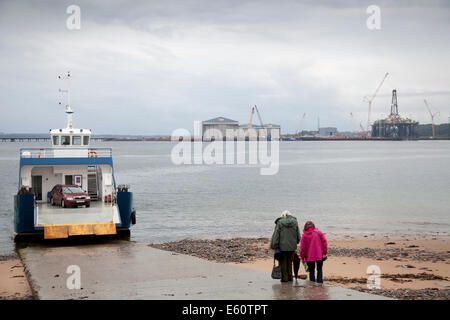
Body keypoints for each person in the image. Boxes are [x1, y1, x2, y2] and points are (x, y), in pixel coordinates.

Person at [270, 210, 301, 282]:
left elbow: (276, 235)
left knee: (283, 263)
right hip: (292, 246)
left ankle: (284, 278)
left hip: (282, 246)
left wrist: (274, 245)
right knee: (290, 262)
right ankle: (290, 278)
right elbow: (298, 234)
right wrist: (296, 241)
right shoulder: (295, 222)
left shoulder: (280, 222)